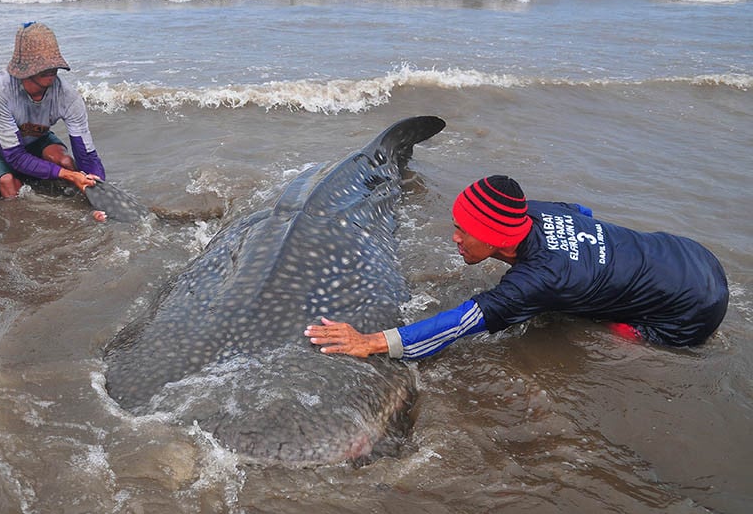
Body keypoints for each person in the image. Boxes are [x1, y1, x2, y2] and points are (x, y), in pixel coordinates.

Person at [305, 175, 729, 359]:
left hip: (695, 308)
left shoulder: (537, 278)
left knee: (608, 339)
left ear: (499, 238)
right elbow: (581, 211)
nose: (454, 238)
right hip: (689, 252)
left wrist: (373, 342)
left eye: (464, 232)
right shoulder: (535, 212)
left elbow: (459, 324)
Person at [0, 22, 107, 220]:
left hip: (33, 133)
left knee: (66, 162)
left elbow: (87, 155)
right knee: (7, 180)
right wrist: (67, 176)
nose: (50, 73)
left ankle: (83, 210)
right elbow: (15, 156)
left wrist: (95, 184)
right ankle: (23, 225)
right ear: (23, 72)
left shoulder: (68, 97)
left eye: (53, 68)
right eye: (42, 70)